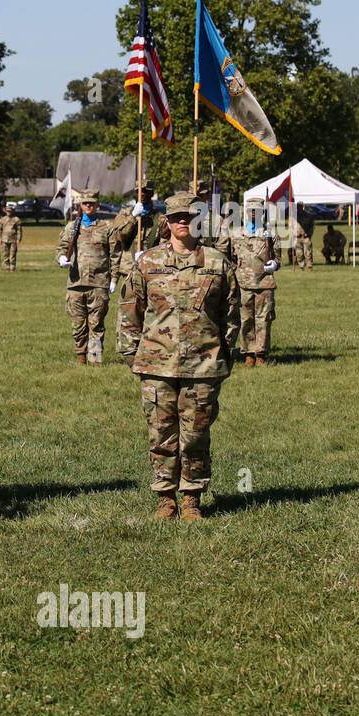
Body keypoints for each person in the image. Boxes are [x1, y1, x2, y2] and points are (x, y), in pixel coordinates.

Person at [119, 192, 239, 521]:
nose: (183, 221)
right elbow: (131, 311)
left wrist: (223, 356)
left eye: (189, 216)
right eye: (176, 217)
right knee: (161, 433)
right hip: (156, 364)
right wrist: (132, 355)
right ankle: (165, 498)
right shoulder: (147, 262)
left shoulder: (216, 262)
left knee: (196, 434)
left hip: (204, 364)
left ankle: (191, 498)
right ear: (167, 222)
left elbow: (231, 314)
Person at [56, 189, 119, 364]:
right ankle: (81, 357)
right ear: (80, 205)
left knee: (96, 323)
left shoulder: (107, 228)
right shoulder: (71, 227)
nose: (88, 205)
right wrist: (61, 258)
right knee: (77, 324)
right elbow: (61, 248)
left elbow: (115, 255)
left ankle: (95, 358)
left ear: (97, 204)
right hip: (75, 283)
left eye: (92, 203)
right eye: (85, 203)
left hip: (99, 283)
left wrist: (114, 279)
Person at [110, 180, 168, 359]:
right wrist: (133, 218)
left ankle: (152, 348)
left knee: (153, 310)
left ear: (152, 193)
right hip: (129, 269)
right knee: (129, 311)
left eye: (146, 191)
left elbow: (166, 242)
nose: (142, 194)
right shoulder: (126, 213)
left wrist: (151, 255)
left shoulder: (160, 217)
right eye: (139, 191)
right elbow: (117, 236)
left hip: (152, 270)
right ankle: (128, 351)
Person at [227, 197, 278, 366]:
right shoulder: (236, 234)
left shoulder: (270, 234)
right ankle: (248, 352)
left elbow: (278, 259)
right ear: (246, 213)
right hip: (243, 283)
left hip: (265, 283)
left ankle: (261, 353)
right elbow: (230, 258)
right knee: (246, 319)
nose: (254, 214)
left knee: (263, 319)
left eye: (257, 211)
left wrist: (275, 264)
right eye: (251, 211)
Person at [0, 200, 22, 271]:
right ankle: (6, 267)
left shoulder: (16, 220)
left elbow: (19, 230)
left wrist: (18, 239)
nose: (9, 212)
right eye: (7, 211)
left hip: (13, 239)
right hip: (4, 239)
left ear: (13, 211)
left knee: (13, 254)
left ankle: (12, 267)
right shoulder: (2, 220)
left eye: (10, 211)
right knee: (5, 254)